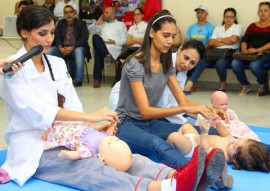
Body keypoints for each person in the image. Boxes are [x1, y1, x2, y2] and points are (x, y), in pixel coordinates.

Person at [0, 6, 220, 191]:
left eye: (51, 32)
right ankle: (166, 187)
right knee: (90, 169)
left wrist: (91, 126)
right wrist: (91, 117)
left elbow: (72, 104)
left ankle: (180, 174)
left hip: (68, 132)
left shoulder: (56, 64)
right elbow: (37, 113)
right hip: (36, 144)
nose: (49, 39)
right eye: (42, 33)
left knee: (120, 153)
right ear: (24, 32)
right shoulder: (10, 70)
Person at [115, 11, 226, 190]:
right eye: (165, 35)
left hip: (150, 122)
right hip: (126, 124)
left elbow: (182, 100)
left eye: (173, 37)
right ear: (152, 32)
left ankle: (256, 149)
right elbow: (145, 110)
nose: (170, 41)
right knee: (157, 144)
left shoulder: (166, 64)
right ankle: (198, 173)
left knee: (203, 131)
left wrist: (208, 111)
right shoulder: (134, 63)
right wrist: (187, 108)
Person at [109, 40, 205, 126]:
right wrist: (186, 123)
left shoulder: (182, 70)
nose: (187, 64)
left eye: (192, 63)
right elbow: (164, 106)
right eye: (186, 58)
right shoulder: (165, 62)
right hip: (125, 101)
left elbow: (178, 103)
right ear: (180, 49)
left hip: (147, 105)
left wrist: (204, 113)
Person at [167, 116, 270, 172]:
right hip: (195, 137)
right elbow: (226, 134)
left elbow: (204, 150)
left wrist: (204, 133)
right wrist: (218, 123)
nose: (233, 141)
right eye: (238, 139)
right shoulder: (233, 142)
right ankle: (173, 148)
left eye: (233, 145)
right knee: (186, 126)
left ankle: (168, 153)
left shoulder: (223, 155)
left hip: (191, 148)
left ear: (234, 159)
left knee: (174, 136)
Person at [185, 8, 242, 92]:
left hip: (229, 53)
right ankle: (189, 84)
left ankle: (223, 83)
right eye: (226, 17)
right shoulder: (218, 28)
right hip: (214, 52)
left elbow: (234, 40)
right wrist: (227, 41)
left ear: (235, 18)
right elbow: (211, 42)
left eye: (231, 17)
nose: (228, 19)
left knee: (220, 63)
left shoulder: (238, 27)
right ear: (223, 18)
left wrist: (218, 40)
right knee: (201, 62)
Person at [41, 121, 133, 172]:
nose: (112, 138)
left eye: (110, 143)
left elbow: (78, 154)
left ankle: (47, 134)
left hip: (68, 135)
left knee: (53, 134)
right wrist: (112, 126)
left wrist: (68, 154)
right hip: (79, 127)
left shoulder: (90, 151)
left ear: (101, 156)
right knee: (64, 123)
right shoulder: (107, 138)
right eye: (117, 139)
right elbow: (109, 132)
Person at [231, 1, 270, 96]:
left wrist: (257, 50)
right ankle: (245, 85)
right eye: (260, 11)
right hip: (249, 53)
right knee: (235, 63)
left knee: (254, 65)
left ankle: (262, 85)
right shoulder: (252, 26)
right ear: (257, 13)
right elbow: (245, 39)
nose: (263, 13)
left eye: (265, 10)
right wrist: (244, 48)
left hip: (266, 53)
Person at [48, 5, 91, 87]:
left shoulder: (81, 23)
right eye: (66, 13)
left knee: (79, 51)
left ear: (74, 12)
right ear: (64, 14)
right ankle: (50, 77)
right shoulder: (61, 23)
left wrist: (73, 47)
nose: (68, 14)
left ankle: (78, 80)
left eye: (70, 12)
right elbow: (57, 37)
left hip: (76, 48)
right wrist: (60, 48)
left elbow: (84, 38)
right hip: (63, 48)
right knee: (50, 51)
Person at [194, 91, 260, 141]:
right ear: (213, 104)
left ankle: (250, 138)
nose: (225, 106)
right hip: (216, 130)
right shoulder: (208, 112)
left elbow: (238, 122)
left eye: (226, 104)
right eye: (222, 104)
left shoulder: (229, 111)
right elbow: (199, 122)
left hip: (227, 129)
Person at [90, 6, 127, 88]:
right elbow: (89, 31)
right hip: (103, 47)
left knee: (98, 53)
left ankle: (97, 79)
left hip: (113, 48)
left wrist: (115, 42)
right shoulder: (103, 24)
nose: (104, 14)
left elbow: (125, 40)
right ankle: (106, 55)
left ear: (113, 15)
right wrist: (97, 23)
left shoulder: (121, 25)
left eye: (106, 12)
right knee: (95, 37)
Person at [183, 4, 215, 94]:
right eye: (198, 12)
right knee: (184, 59)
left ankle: (189, 84)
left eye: (202, 12)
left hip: (203, 52)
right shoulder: (192, 27)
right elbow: (186, 40)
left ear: (206, 14)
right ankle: (185, 84)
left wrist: (197, 48)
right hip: (190, 51)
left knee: (197, 61)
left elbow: (210, 44)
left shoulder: (211, 27)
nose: (199, 14)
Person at [112, 7, 147, 86]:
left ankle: (128, 82)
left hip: (140, 49)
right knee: (120, 59)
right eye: (135, 15)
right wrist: (138, 40)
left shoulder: (146, 26)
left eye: (138, 14)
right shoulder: (131, 27)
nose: (136, 16)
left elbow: (145, 41)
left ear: (142, 15)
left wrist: (133, 39)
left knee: (130, 60)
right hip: (131, 48)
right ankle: (117, 82)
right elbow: (128, 42)